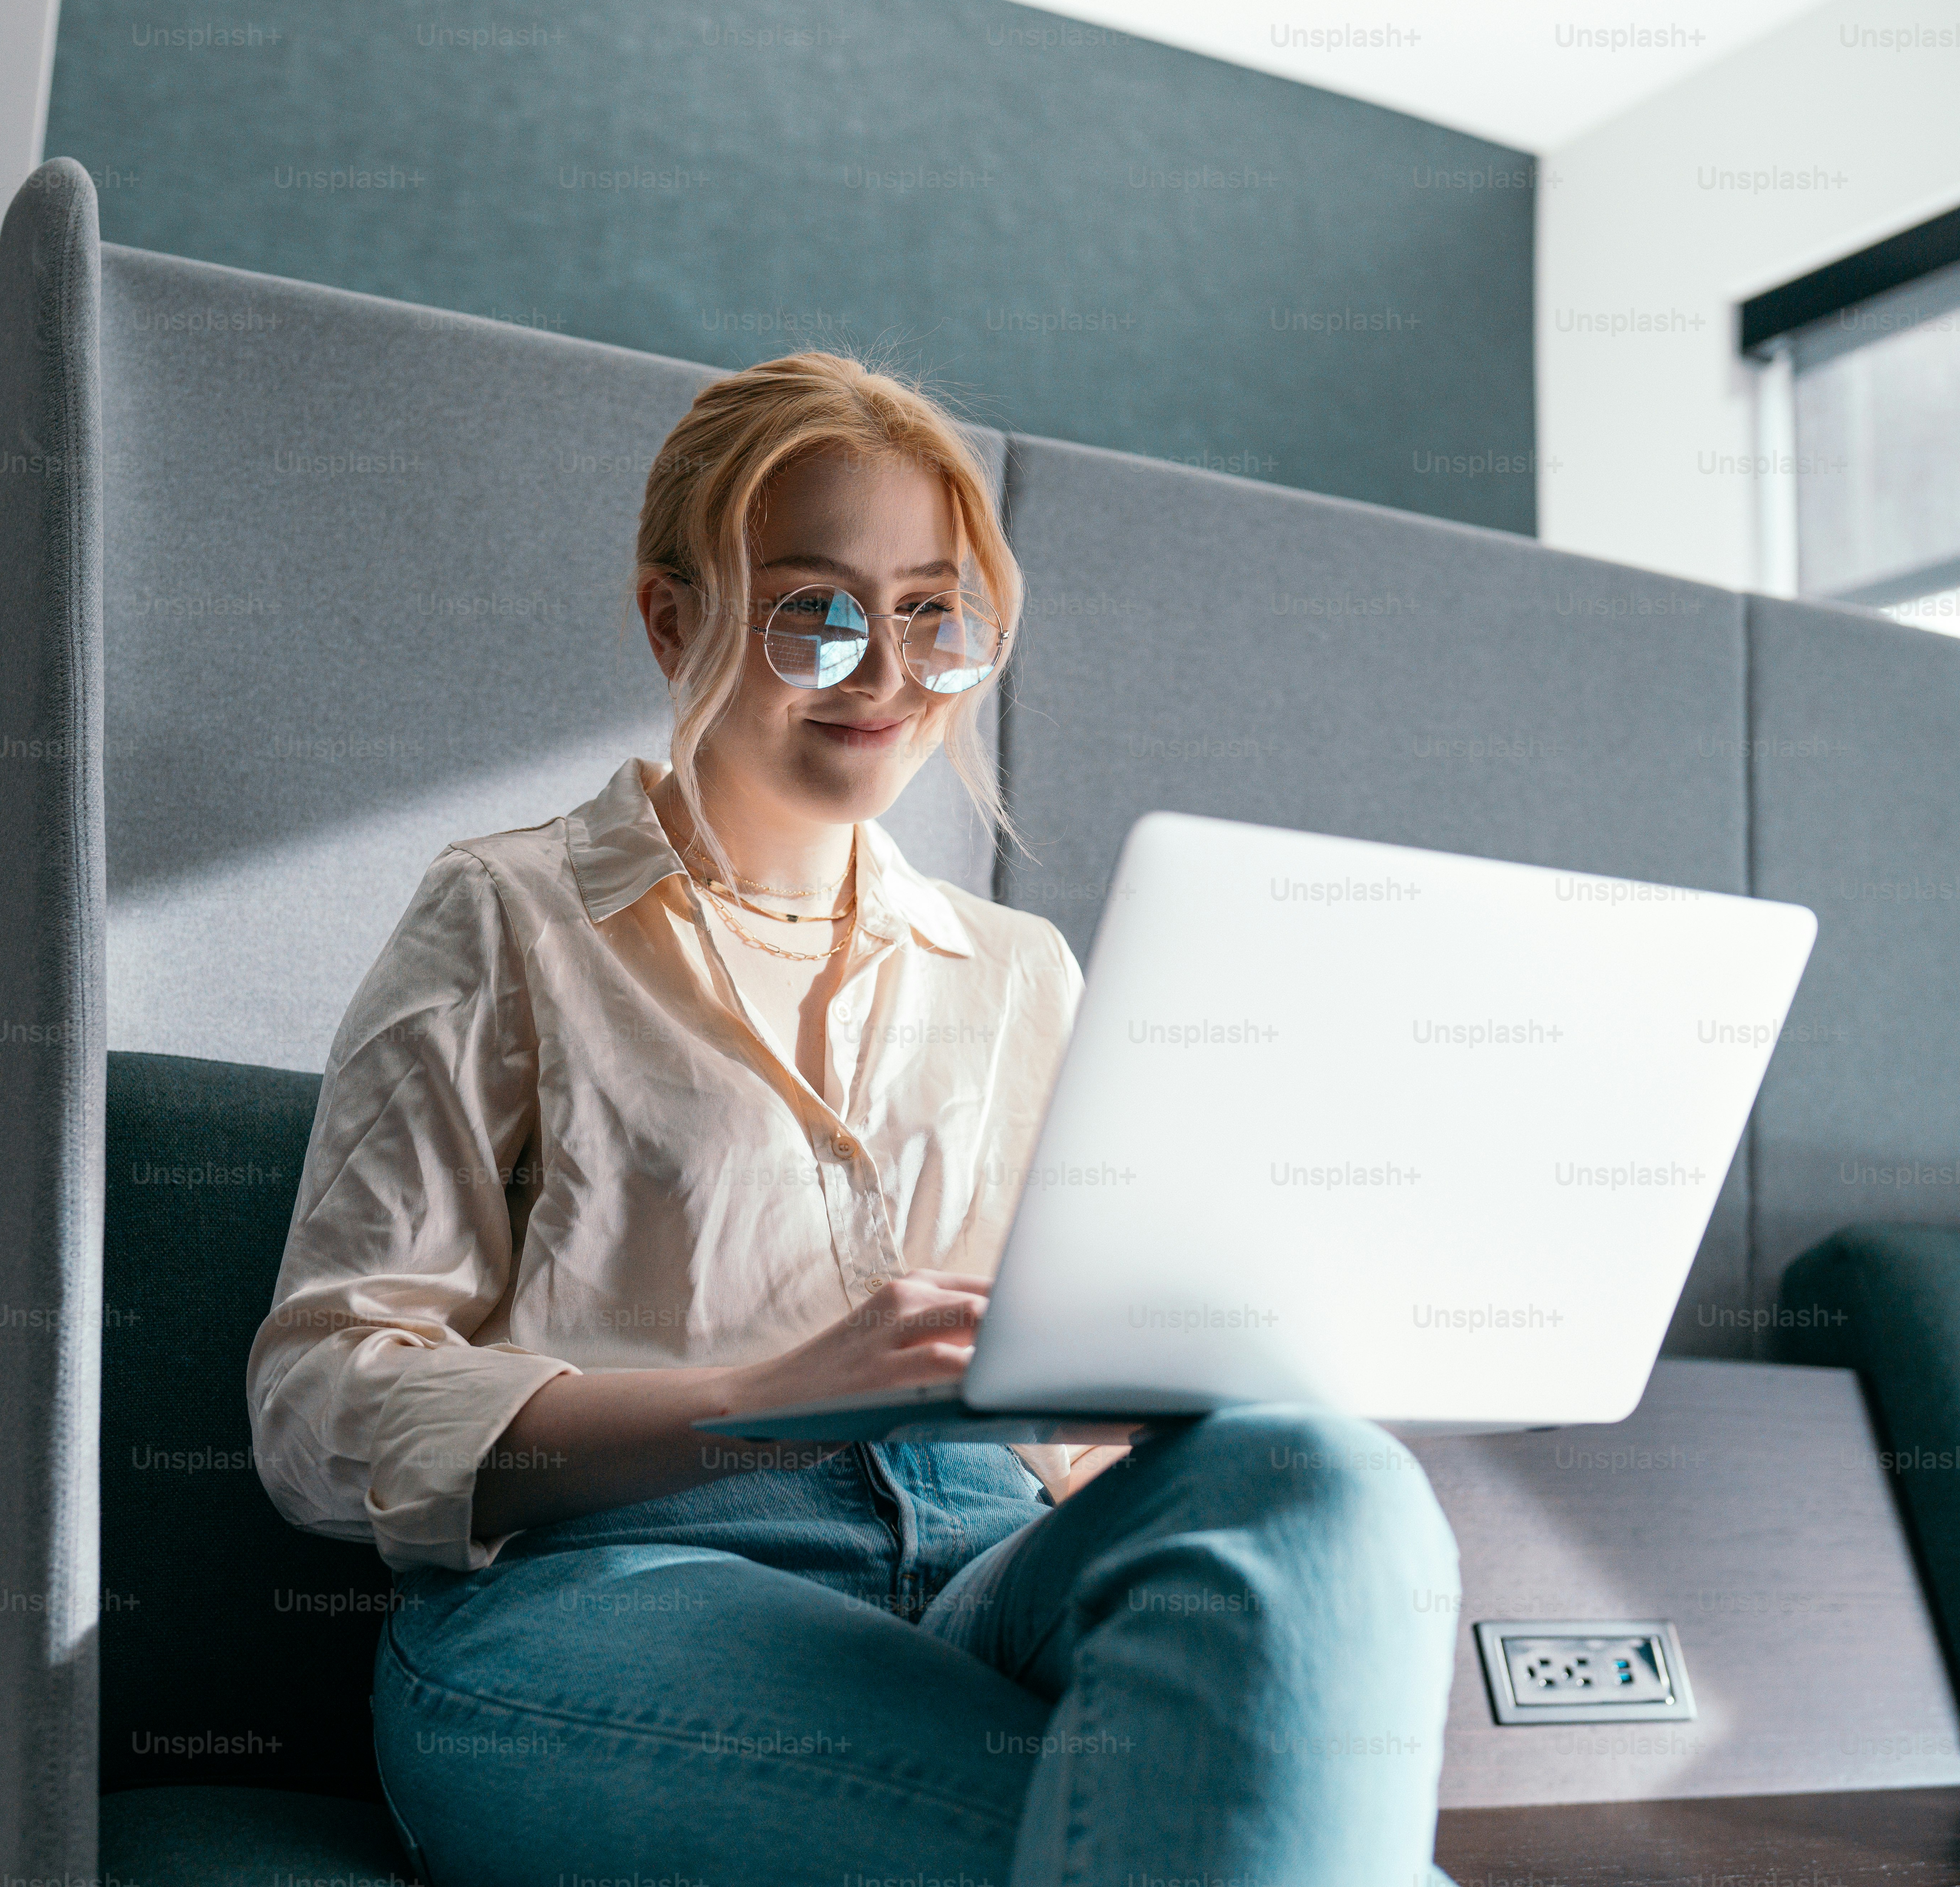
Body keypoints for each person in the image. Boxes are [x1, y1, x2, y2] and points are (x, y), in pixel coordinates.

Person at [245, 351, 1463, 1886]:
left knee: (1321, 1476)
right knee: (1193, 1845)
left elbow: (1073, 1426)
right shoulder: (507, 917)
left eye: (929, 616)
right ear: (671, 618)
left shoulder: (1022, 973)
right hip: (621, 1586)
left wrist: (1170, 1377)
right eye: (814, 610)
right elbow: (321, 1404)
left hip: (980, 1562)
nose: (883, 673)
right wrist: (756, 1395)